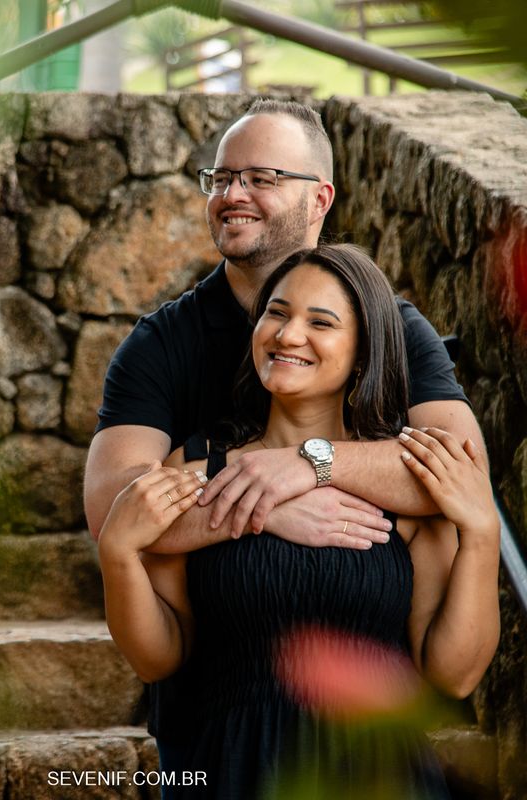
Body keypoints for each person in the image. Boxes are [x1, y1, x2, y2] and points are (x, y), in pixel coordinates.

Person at [97, 245, 500, 798]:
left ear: (361, 353)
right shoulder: (192, 468)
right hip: (236, 768)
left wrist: (482, 533)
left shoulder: (405, 486)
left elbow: (454, 674)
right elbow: (159, 655)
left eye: (321, 322)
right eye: (277, 313)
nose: (287, 336)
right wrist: (118, 555)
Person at [85, 98, 485, 554]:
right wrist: (264, 509)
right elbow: (109, 506)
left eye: (261, 179)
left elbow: (465, 472)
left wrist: (312, 464)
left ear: (320, 199)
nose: (231, 196)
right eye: (221, 179)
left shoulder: (390, 325)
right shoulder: (159, 343)